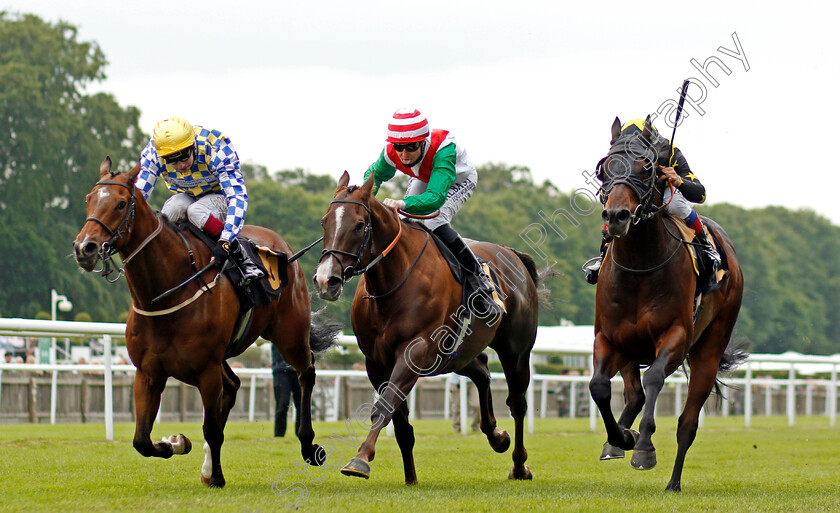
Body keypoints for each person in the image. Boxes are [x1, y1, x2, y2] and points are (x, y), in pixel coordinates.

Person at [364, 108, 500, 316]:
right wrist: (365, 200)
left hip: (458, 180)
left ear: (422, 142)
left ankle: (478, 278)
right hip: (426, 176)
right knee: (403, 221)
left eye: (410, 147)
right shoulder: (391, 152)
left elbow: (435, 198)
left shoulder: (443, 150)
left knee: (434, 222)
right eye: (399, 147)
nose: (404, 154)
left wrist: (402, 202)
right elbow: (373, 177)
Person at [582, 118, 721, 290]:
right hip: (636, 192)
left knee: (676, 206)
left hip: (663, 189)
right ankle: (603, 253)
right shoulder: (620, 153)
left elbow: (700, 194)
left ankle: (705, 245)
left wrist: (679, 181)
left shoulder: (669, 151)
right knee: (615, 204)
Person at [135, 116, 264, 285]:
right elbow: (137, 195)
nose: (180, 165)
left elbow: (237, 197)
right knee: (172, 209)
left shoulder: (216, 148)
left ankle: (240, 255)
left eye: (184, 156)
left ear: (193, 146)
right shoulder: (154, 153)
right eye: (172, 160)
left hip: (221, 198)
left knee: (196, 211)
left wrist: (226, 241)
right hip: (188, 196)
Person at [271, 344, 301, 438]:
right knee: (282, 404)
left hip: (300, 369)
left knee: (302, 405)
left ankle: (301, 435)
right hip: (281, 370)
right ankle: (279, 436)